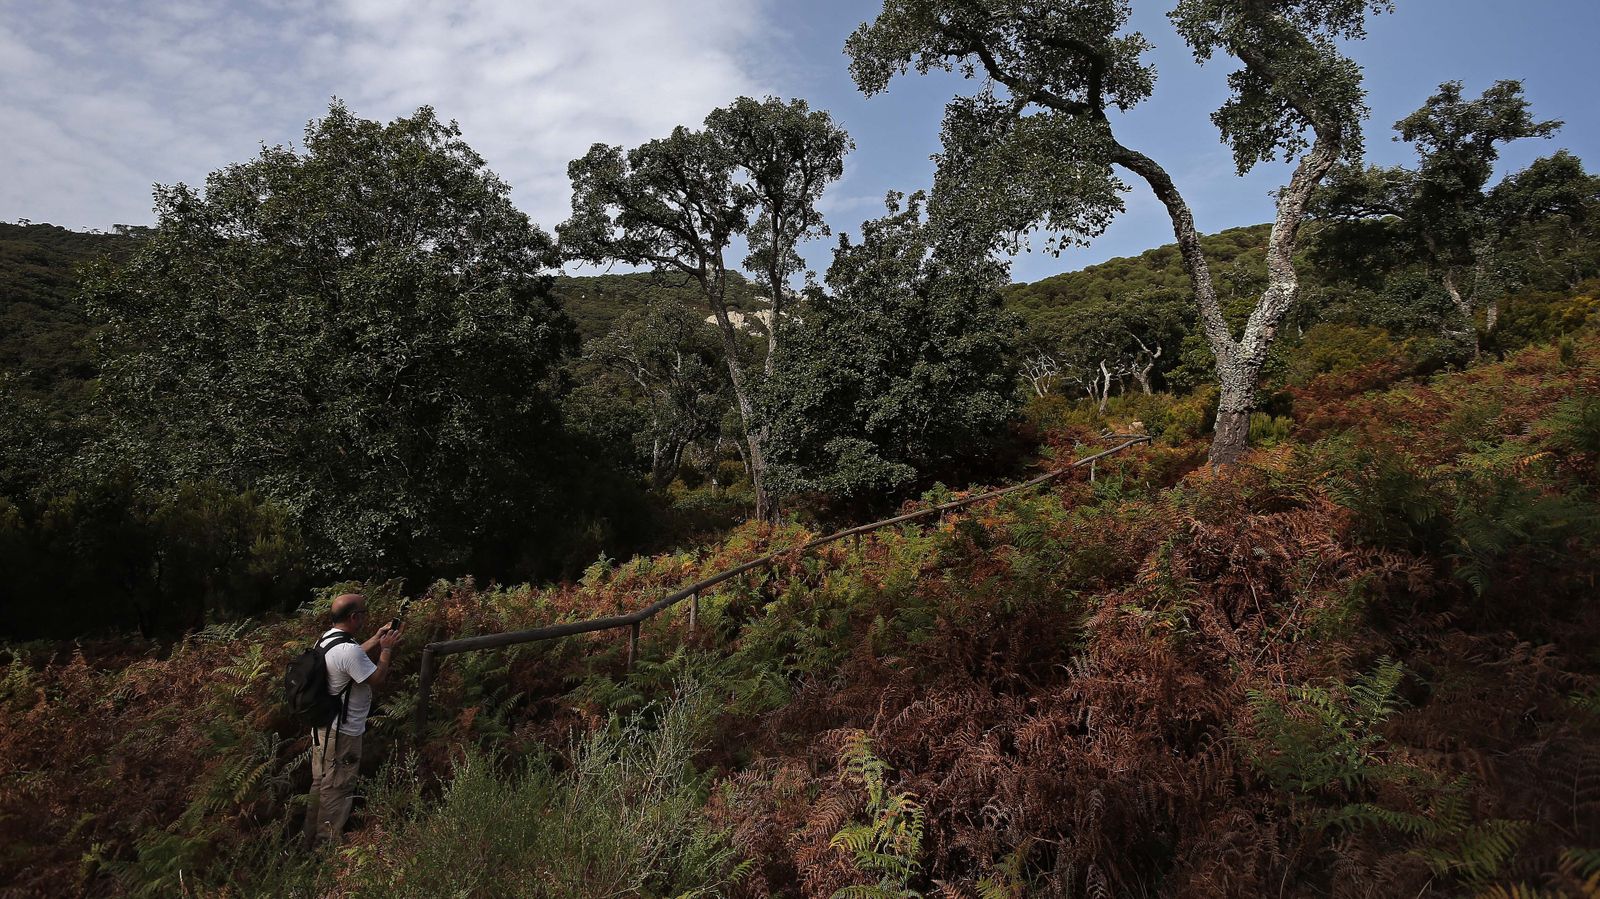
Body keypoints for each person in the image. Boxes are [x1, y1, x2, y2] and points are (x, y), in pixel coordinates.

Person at [302, 592, 402, 848]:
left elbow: (350, 656)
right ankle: (325, 847)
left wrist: (376, 639)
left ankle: (309, 838)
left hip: (323, 727)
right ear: (354, 617)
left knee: (321, 781)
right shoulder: (348, 651)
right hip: (343, 732)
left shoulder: (326, 640)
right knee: (338, 786)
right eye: (364, 613)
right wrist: (387, 650)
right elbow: (376, 679)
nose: (365, 617)